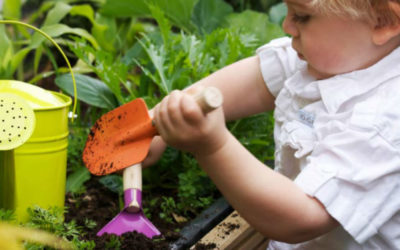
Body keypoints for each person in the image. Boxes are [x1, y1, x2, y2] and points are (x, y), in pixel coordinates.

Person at [143, 0, 400, 249]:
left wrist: (212, 147)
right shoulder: (337, 53)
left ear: (383, 22)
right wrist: (156, 124)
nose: (287, 26)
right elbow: (256, 81)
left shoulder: (385, 121)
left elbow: (301, 218)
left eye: (302, 16)